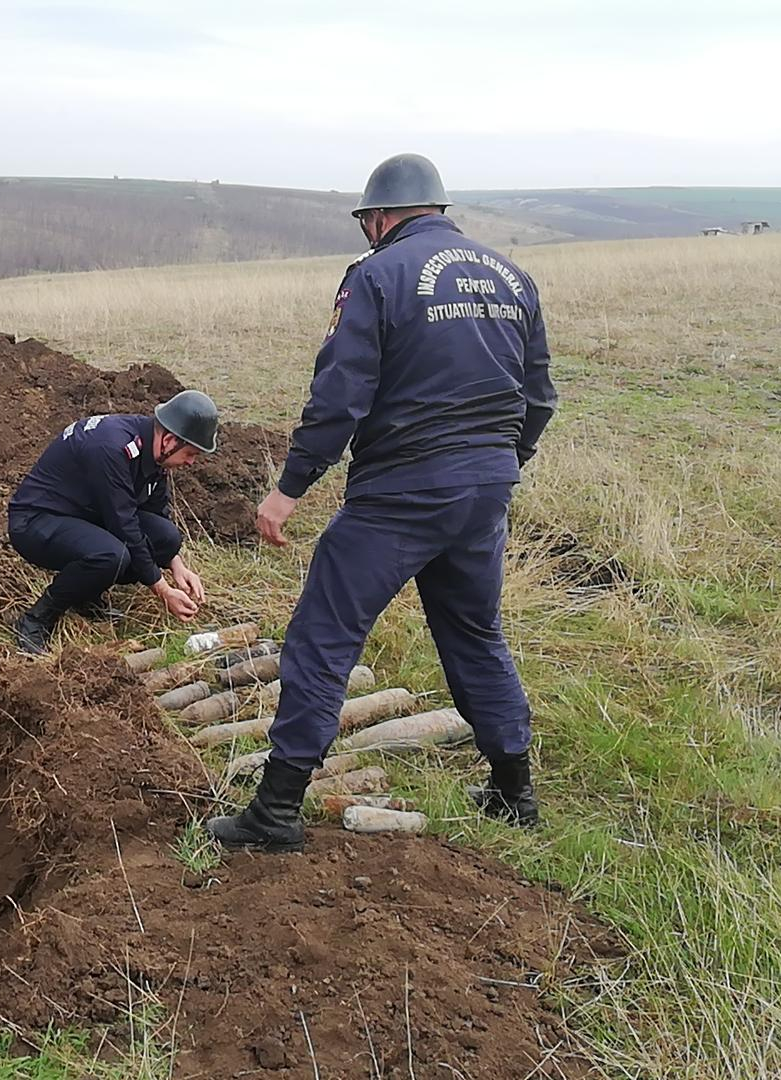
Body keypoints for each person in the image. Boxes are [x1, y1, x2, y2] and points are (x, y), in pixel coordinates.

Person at [210, 153, 557, 853]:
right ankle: (514, 793)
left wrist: (289, 489)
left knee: (324, 634)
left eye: (367, 220)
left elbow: (340, 397)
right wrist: (498, 465)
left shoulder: (376, 275)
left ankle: (276, 809)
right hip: (484, 489)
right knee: (475, 633)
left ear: (381, 217)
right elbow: (540, 395)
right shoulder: (512, 277)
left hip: (402, 488)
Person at [6, 390, 221, 654]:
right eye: (190, 453)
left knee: (167, 539)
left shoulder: (153, 449)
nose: (190, 462)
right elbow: (125, 525)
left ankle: (85, 593)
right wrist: (162, 589)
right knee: (112, 555)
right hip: (37, 520)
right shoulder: (112, 448)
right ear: (169, 440)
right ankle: (36, 619)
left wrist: (177, 566)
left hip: (83, 514)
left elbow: (155, 510)